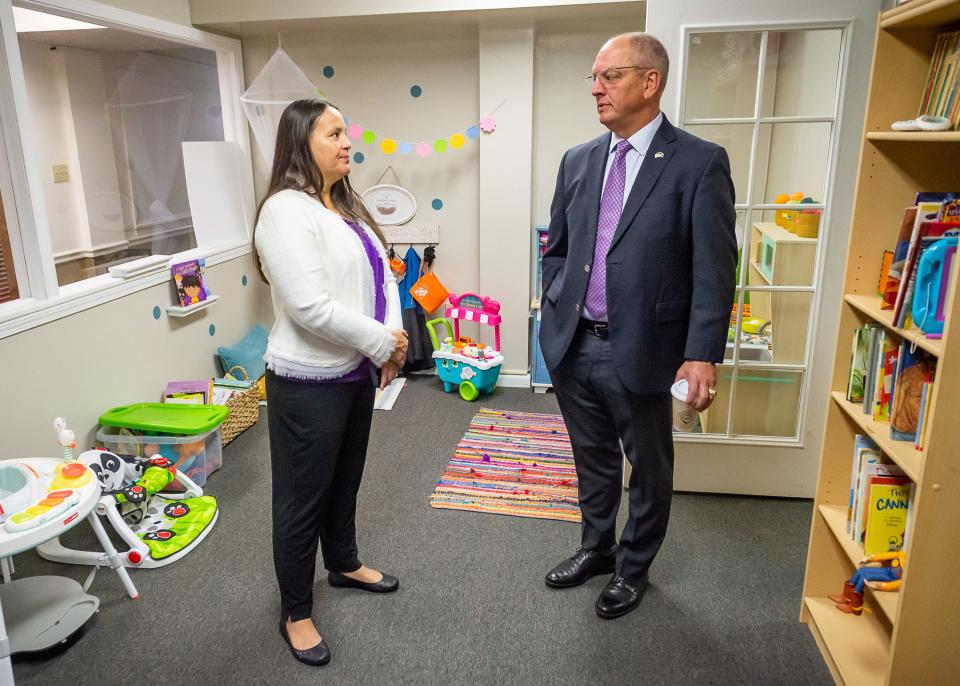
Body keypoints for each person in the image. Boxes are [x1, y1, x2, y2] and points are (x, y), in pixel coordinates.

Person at [538, 33, 737, 619]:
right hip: (575, 345)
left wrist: (701, 353)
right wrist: (554, 299)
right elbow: (558, 247)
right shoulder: (578, 160)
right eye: (594, 78)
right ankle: (595, 549)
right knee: (591, 458)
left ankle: (632, 568)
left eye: (610, 76)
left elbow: (714, 270)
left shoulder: (700, 162)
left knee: (647, 469)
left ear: (650, 83)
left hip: (648, 349)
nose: (596, 88)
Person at [253, 99, 408, 666]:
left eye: (347, 131)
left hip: (355, 375)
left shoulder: (344, 206)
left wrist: (392, 339)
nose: (348, 141)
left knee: (345, 482)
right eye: (334, 132)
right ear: (302, 143)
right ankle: (295, 611)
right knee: (301, 501)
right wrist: (381, 343)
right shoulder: (284, 211)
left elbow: (384, 274)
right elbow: (309, 306)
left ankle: (342, 564)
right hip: (308, 381)